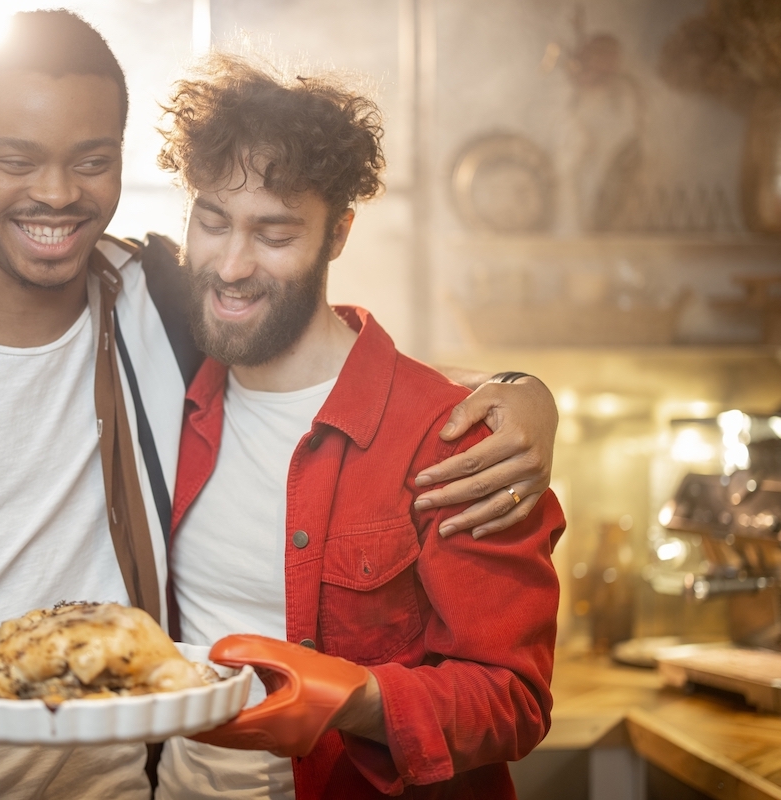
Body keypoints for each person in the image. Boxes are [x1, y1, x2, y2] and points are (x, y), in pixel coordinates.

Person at [0, 10, 556, 800]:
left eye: (91, 160)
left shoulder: (158, 304)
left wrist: (524, 395)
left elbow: (352, 375)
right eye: (213, 221)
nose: (55, 193)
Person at [145, 56, 564, 799]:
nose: (232, 264)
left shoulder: (453, 438)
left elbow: (514, 698)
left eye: (274, 234)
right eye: (213, 221)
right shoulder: (168, 382)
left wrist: (354, 700)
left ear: (337, 235)